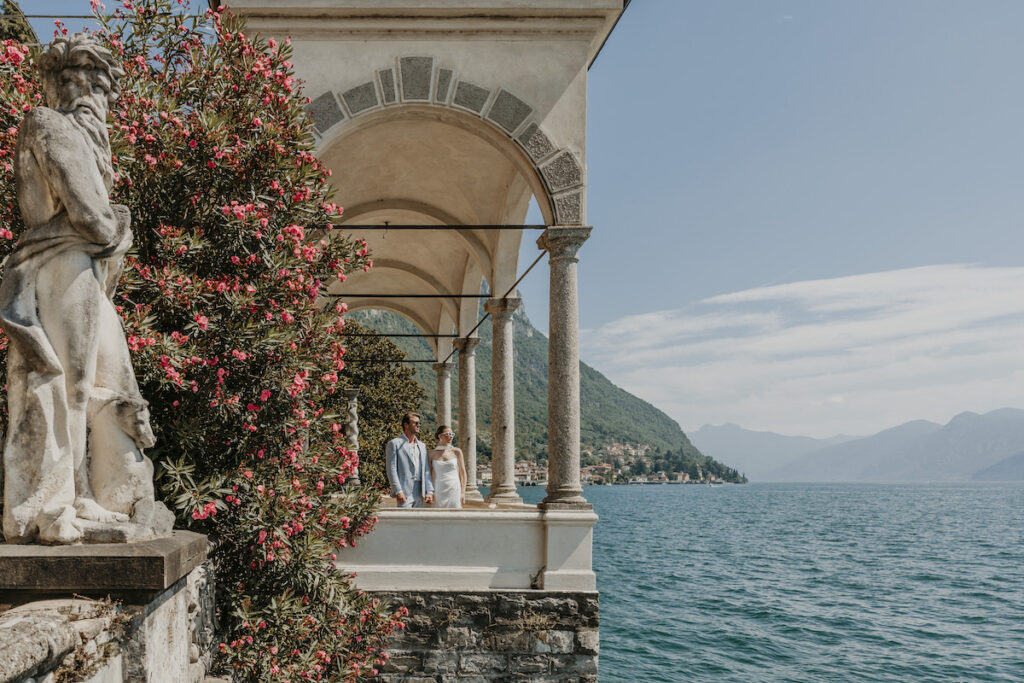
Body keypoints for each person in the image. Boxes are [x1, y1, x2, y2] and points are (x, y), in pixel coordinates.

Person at [0, 34, 159, 544]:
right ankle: (51, 510)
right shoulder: (49, 125)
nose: (83, 91)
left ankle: (87, 493)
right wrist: (112, 226)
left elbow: (102, 226)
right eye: (69, 80)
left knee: (109, 390)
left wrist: (110, 227)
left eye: (95, 82)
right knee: (63, 386)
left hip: (86, 274)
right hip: (60, 268)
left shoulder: (91, 143)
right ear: (52, 86)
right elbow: (94, 220)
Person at [385, 413, 434, 508]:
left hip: (420, 490)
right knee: (404, 521)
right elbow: (391, 469)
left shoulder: (422, 446)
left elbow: (426, 470)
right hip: (404, 490)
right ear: (406, 425)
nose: (419, 425)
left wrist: (429, 491)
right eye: (416, 423)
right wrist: (398, 491)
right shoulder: (394, 443)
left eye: (419, 423)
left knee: (418, 521)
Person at [429, 425, 467, 509]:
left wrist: (463, 493)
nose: (450, 436)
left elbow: (463, 473)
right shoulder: (431, 454)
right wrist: (430, 492)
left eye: (452, 434)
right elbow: (428, 475)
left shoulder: (457, 452)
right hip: (438, 488)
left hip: (454, 489)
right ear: (440, 436)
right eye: (448, 434)